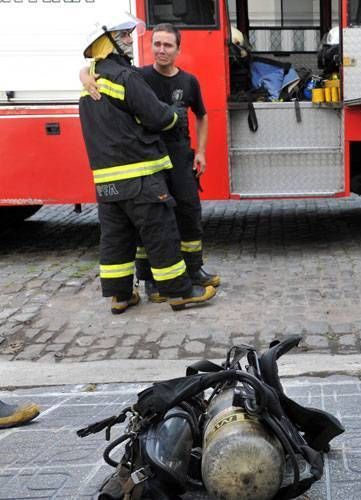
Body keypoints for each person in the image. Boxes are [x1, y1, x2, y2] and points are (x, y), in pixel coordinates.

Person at [79, 13, 216, 313]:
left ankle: (120, 295)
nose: (130, 41)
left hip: (107, 182)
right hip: (140, 175)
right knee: (160, 232)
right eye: (125, 36)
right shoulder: (127, 77)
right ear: (108, 41)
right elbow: (158, 117)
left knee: (116, 237)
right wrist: (176, 116)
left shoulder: (92, 79)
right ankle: (180, 292)